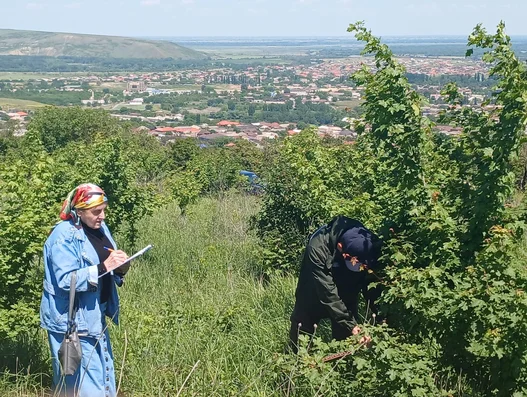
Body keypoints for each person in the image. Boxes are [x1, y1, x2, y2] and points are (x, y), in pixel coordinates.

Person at [40, 183, 129, 397]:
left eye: (104, 210)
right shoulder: (63, 236)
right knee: (82, 384)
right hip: (70, 321)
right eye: (96, 212)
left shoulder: (99, 228)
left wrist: (121, 268)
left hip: (95, 313)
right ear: (79, 211)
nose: (103, 216)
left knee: (103, 375)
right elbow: (65, 279)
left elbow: (108, 259)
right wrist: (103, 267)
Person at [289, 215, 382, 352]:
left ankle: (343, 369)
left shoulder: (368, 243)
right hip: (313, 288)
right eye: (354, 263)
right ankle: (293, 364)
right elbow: (327, 291)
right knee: (301, 332)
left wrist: (380, 316)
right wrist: (351, 324)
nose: (359, 267)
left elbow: (371, 283)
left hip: (347, 290)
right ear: (340, 246)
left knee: (347, 342)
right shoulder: (317, 247)